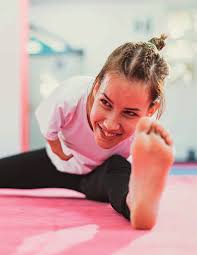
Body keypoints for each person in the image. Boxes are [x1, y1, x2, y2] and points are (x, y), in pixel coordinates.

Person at [0, 34, 174, 230]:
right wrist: (56, 148)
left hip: (99, 175)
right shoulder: (70, 96)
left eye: (129, 113)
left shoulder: (146, 132)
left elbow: (124, 172)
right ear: (97, 85)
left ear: (151, 110)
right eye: (105, 103)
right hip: (58, 164)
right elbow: (48, 126)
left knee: (118, 174)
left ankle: (136, 205)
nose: (110, 124)